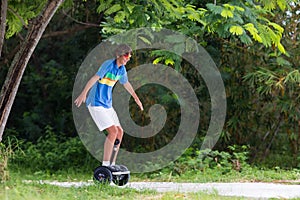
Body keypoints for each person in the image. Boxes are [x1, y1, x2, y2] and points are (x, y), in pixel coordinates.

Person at [74, 44, 143, 169]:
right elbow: (94, 78)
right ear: (119, 55)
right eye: (126, 55)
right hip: (96, 103)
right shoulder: (108, 65)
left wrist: (136, 98)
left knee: (120, 132)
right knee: (113, 131)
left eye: (129, 56)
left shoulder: (121, 70)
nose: (128, 58)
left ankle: (112, 163)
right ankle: (105, 165)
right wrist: (83, 93)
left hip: (107, 104)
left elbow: (126, 83)